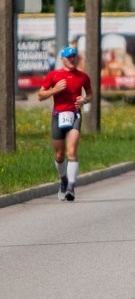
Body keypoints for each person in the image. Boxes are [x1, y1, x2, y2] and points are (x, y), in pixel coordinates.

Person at [38, 45, 93, 201]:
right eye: (68, 57)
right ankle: (63, 180)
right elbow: (40, 95)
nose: (72, 59)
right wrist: (55, 90)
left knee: (72, 151)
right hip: (58, 116)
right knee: (59, 155)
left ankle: (71, 187)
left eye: (74, 56)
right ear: (62, 59)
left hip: (75, 115)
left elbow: (90, 94)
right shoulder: (54, 75)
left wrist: (84, 100)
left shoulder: (83, 76)